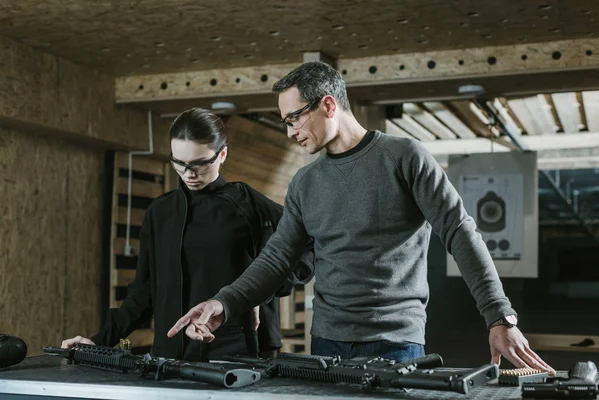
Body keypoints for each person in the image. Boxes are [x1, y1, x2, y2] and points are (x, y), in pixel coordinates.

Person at [167, 62, 554, 374]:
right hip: (326, 344)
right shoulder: (305, 183)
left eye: (294, 119)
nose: (289, 133)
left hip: (396, 344)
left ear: (329, 105)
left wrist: (499, 316)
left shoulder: (405, 157)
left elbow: (458, 231)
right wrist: (222, 303)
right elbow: (276, 259)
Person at [61, 107, 314, 361]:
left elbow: (305, 251)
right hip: (168, 355)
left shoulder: (249, 205)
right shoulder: (159, 212)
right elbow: (143, 293)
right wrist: (98, 341)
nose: (189, 174)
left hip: (236, 354)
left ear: (222, 154)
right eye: (180, 164)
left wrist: (259, 293)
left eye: (199, 164)